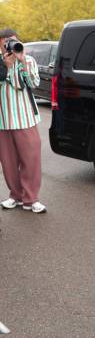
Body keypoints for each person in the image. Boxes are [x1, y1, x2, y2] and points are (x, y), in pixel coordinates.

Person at [0, 29, 46, 213]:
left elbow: (34, 83)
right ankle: (15, 196)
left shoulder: (29, 60)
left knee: (31, 160)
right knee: (8, 162)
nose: (9, 46)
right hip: (3, 121)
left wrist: (21, 63)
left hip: (25, 119)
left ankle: (31, 199)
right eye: (5, 43)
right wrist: (8, 67)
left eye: (13, 41)